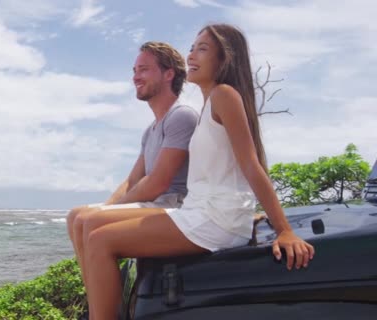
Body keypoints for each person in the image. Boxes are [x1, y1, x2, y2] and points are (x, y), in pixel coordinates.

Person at [81, 24, 316, 319]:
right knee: (95, 232)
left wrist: (285, 230)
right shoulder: (208, 103)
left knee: (101, 240)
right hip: (199, 212)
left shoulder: (224, 95)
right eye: (192, 47)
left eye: (202, 49)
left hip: (215, 219)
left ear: (224, 58)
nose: (191, 55)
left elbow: (250, 164)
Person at [66, 41, 199, 305]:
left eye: (144, 69)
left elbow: (158, 183)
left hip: (176, 206)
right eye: (135, 70)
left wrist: (105, 214)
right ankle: (98, 301)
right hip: (155, 203)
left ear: (168, 73)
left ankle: (104, 309)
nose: (135, 76)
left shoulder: (181, 116)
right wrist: (108, 207)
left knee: (89, 221)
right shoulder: (150, 130)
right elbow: (133, 179)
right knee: (76, 216)